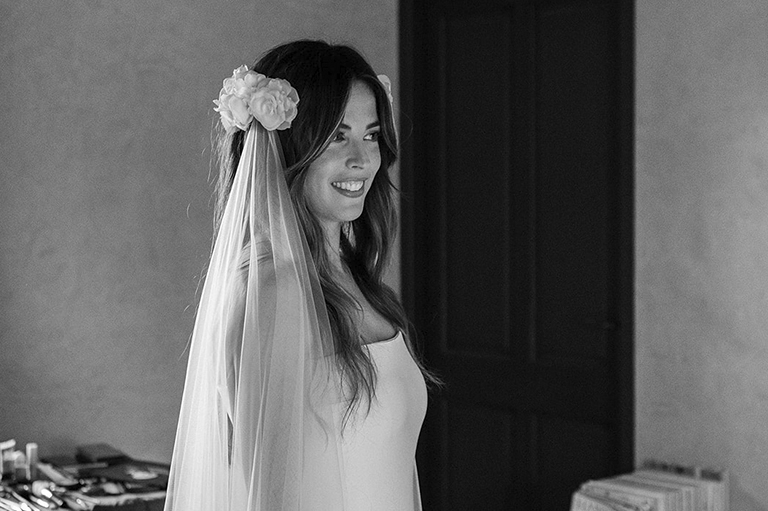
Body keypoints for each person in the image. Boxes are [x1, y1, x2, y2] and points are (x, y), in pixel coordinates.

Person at [164, 40, 437, 511]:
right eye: (336, 135)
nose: (361, 159)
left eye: (371, 135)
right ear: (287, 147)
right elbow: (271, 496)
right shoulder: (276, 290)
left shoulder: (360, 283)